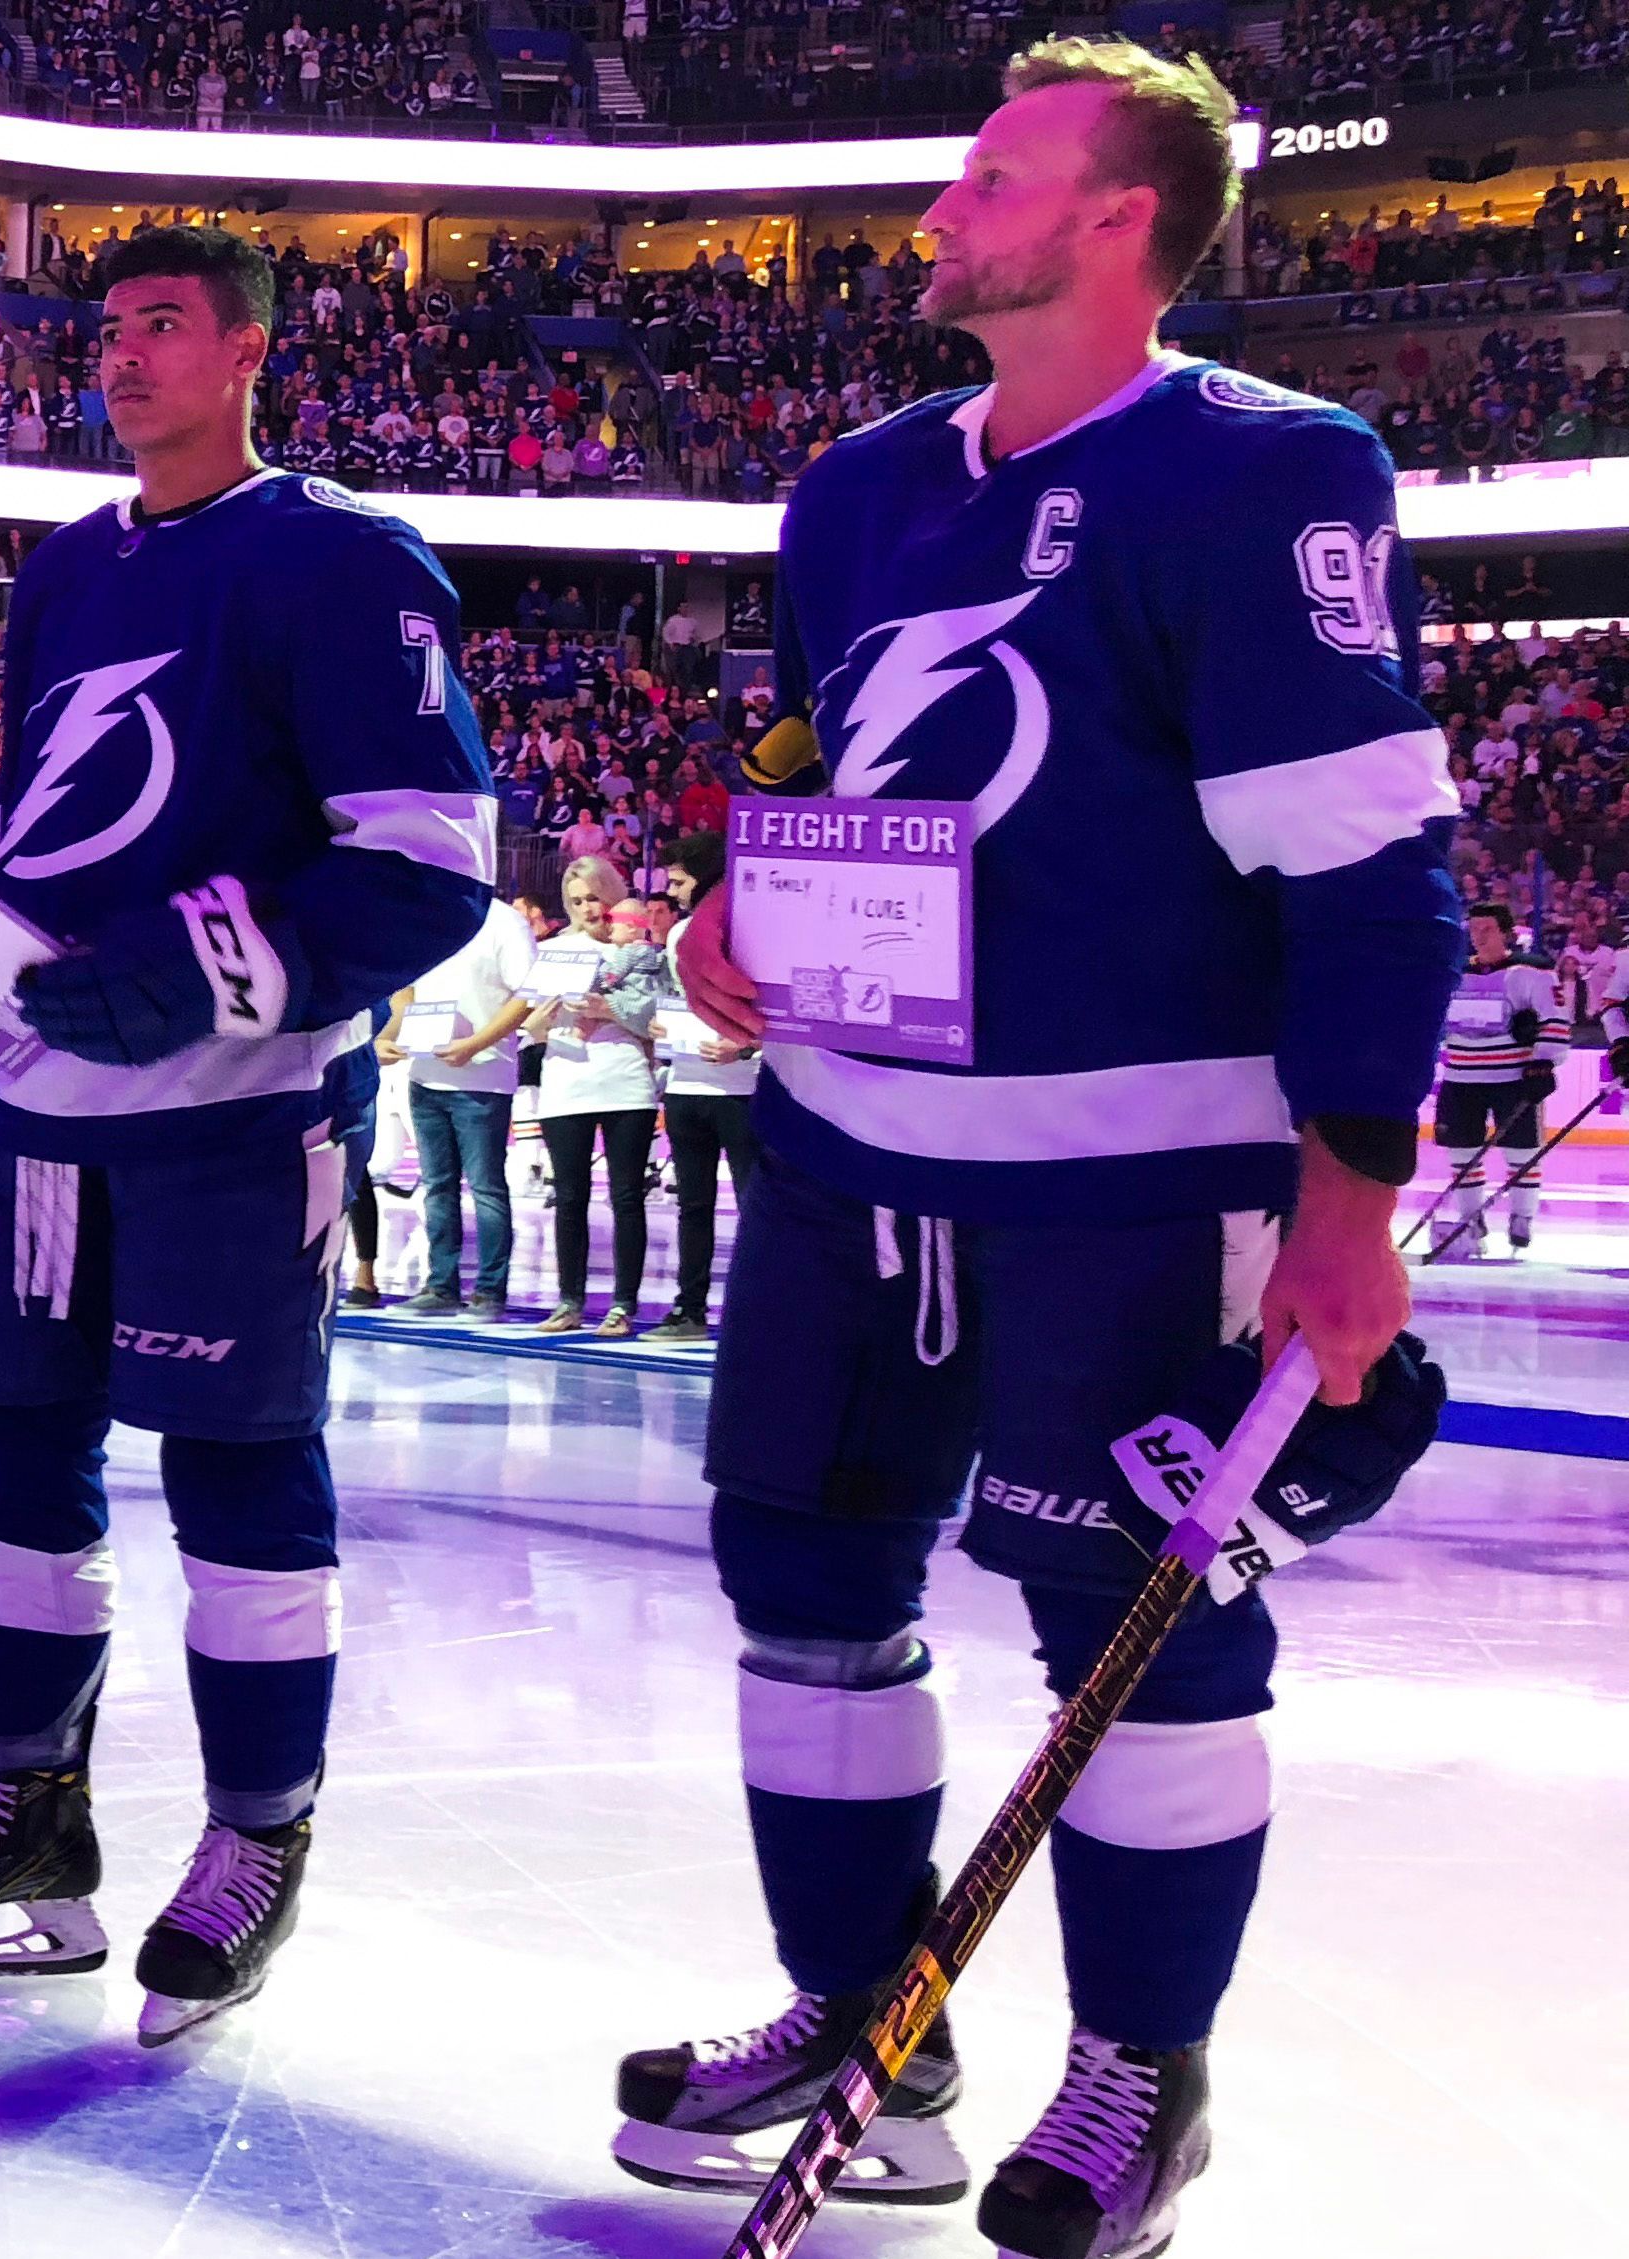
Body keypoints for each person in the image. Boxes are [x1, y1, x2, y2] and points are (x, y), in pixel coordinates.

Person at [632, 46, 1461, 2259]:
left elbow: (1370, 868)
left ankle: (1139, 2077)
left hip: (1131, 1179)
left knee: (1137, 1629)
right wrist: (735, 911)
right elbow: (823, 764)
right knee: (798, 1589)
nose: (933, 214)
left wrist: (1348, 1197)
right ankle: (859, 2031)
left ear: (1117, 218)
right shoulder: (852, 488)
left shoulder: (1266, 472)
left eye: (987, 177)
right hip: (838, 1156)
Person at [0, 226, 494, 2046]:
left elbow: (431, 860)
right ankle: (28, 1808)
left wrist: (220, 972)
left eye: (159, 327)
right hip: (45, 1123)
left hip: (234, 1124)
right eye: (105, 328)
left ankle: (253, 1835)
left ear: (243, 353)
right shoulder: (61, 573)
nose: (120, 358)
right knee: (10, 1463)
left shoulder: (336, 556)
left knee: (236, 1475)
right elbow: (24, 845)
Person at [522, 854, 667, 1336]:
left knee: (627, 1197)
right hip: (566, 1083)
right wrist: (540, 1023)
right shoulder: (552, 952)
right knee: (568, 1198)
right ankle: (569, 1302)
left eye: (596, 898)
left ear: (613, 898)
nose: (588, 908)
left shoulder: (639, 950)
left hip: (625, 1082)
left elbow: (651, 1018)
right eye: (578, 900)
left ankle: (624, 1304)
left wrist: (608, 1010)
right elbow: (533, 1025)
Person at [386, 890, 531, 1317]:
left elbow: (529, 995)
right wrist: (391, 1034)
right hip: (427, 1074)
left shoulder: (505, 923)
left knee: (485, 1187)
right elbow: (404, 988)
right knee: (437, 1187)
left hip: (483, 1075)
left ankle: (489, 1290)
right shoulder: (428, 911)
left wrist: (476, 1043)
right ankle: (440, 1285)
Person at [640, 834, 759, 1340]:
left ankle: (759, 1313)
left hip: (743, 1089)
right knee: (693, 1204)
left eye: (680, 881)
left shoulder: (755, 928)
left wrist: (749, 1045)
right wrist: (658, 1027)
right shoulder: (678, 935)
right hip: (688, 1083)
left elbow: (773, 1008)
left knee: (756, 1205)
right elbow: (678, 1001)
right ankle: (689, 1309)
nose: (673, 891)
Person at [1421, 901, 1557, 1259]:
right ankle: (1470, 1221)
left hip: (1512, 1077)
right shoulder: (1454, 973)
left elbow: (1554, 1020)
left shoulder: (1530, 973)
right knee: (1462, 1152)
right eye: (1474, 929)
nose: (1478, 937)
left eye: (1487, 930)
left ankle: (1522, 1218)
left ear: (1505, 933)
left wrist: (1544, 1062)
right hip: (1460, 1077)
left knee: (1522, 1151)